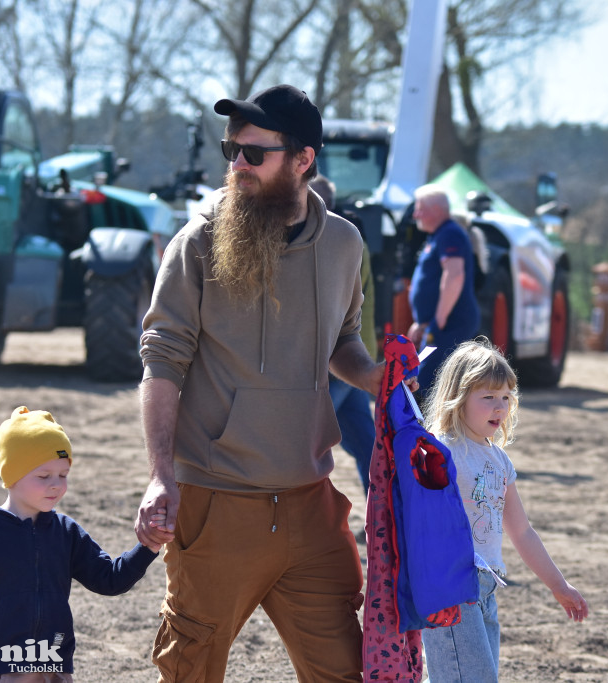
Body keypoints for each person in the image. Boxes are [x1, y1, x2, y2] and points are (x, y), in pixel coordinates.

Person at [136, 84, 396, 683]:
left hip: (311, 506)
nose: (237, 166)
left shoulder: (345, 244)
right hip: (216, 506)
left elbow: (343, 341)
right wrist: (159, 476)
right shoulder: (197, 242)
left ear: (303, 160)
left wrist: (375, 377)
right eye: (232, 151)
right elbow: (162, 360)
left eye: (254, 154)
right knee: (190, 673)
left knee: (350, 674)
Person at [0, 406, 160, 683]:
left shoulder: (65, 532)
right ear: (12, 474)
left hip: (54, 667)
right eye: (44, 476)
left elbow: (109, 579)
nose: (56, 485)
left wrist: (147, 546)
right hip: (1, 666)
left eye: (63, 475)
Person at [421, 339, 588, 682]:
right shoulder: (439, 450)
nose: (500, 407)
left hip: (486, 589)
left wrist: (558, 585)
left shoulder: (499, 461)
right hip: (450, 587)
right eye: (488, 398)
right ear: (458, 396)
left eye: (506, 398)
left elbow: (523, 531)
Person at [310, 175, 376, 496]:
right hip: (355, 359)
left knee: (309, 442)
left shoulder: (338, 244)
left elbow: (337, 311)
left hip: (339, 362)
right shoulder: (353, 240)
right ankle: (386, 518)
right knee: (368, 446)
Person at [407, 185, 480, 397]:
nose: (415, 214)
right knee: (425, 383)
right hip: (439, 323)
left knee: (426, 385)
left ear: (438, 210)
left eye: (420, 209)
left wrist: (438, 320)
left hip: (449, 323)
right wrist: (422, 322)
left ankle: (430, 431)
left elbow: (454, 276)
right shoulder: (439, 235)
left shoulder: (450, 234)